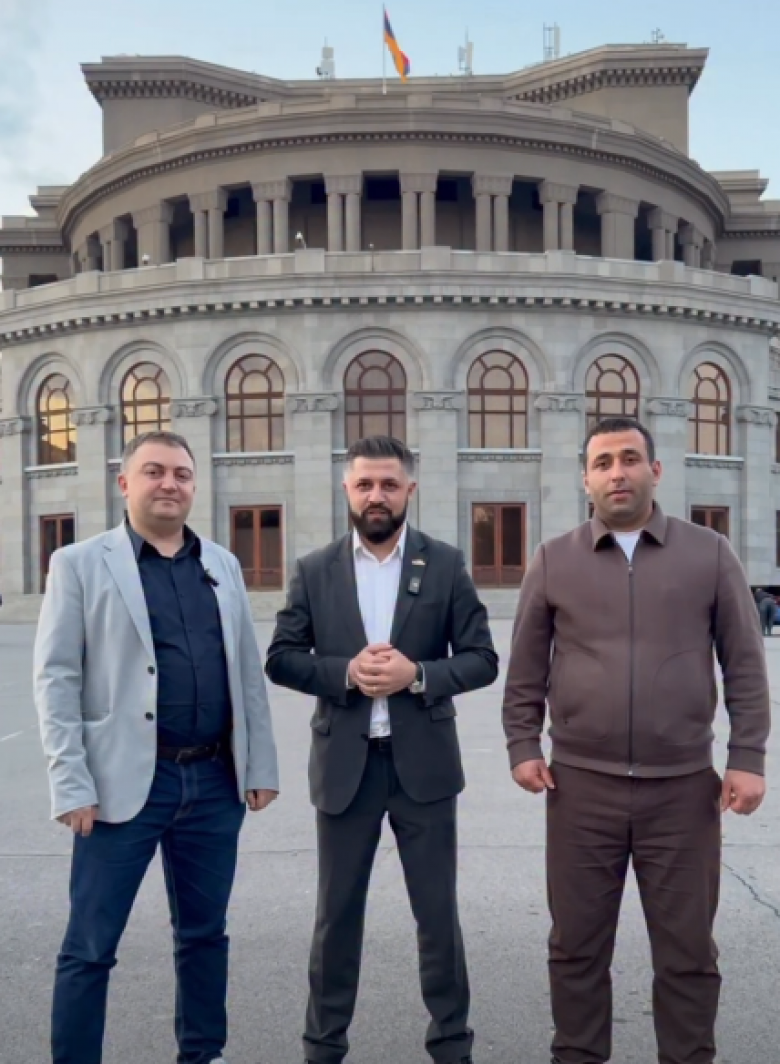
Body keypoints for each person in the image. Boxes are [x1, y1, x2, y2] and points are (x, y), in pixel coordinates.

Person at [502, 416, 771, 1064]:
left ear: (655, 470)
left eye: (629, 458)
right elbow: (526, 668)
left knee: (687, 952)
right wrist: (522, 745)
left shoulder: (709, 554)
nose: (616, 473)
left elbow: (743, 662)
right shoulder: (554, 559)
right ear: (585, 479)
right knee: (575, 948)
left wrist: (747, 757)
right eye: (602, 463)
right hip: (580, 789)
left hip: (681, 791)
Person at [34, 430, 279, 1064]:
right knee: (90, 945)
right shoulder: (80, 563)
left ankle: (203, 1054)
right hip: (120, 786)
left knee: (204, 935)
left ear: (194, 485)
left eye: (181, 474)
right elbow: (56, 678)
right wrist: (71, 782)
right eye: (154, 471)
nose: (169, 483)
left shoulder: (221, 565)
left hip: (214, 782)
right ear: (125, 483)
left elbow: (245, 672)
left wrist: (259, 765)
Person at [266, 434, 498, 1064]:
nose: (377, 496)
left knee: (437, 917)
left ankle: (451, 1045)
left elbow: (481, 658)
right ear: (347, 489)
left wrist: (417, 675)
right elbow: (282, 658)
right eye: (365, 484)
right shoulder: (315, 569)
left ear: (409, 490)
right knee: (336, 917)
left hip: (424, 769)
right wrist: (344, 672)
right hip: (347, 770)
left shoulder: (444, 564)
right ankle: (323, 1047)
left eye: (389, 485)